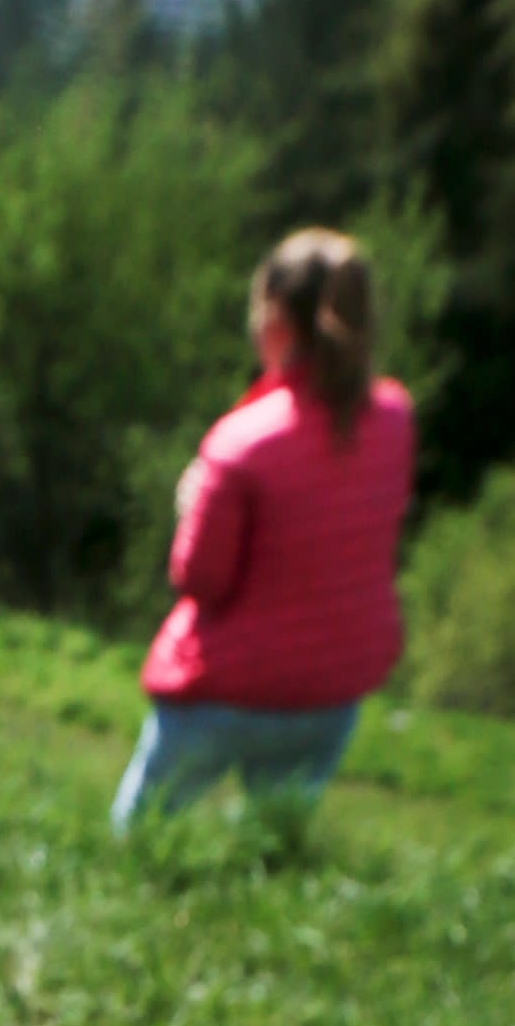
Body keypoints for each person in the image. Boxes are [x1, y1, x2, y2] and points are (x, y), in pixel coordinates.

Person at [114, 231, 413, 831]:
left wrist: (190, 502)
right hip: (332, 691)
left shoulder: (242, 441)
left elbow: (199, 578)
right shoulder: (394, 418)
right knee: (272, 847)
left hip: (226, 690)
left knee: (140, 837)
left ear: (274, 319)